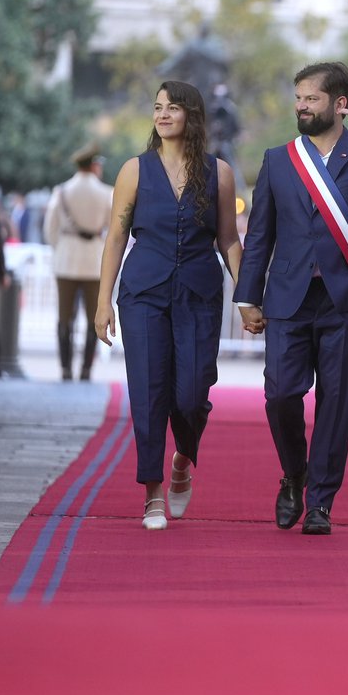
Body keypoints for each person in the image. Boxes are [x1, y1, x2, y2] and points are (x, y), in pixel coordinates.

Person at [234, 63, 348, 536]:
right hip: (288, 298)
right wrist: (247, 296)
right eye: (298, 98)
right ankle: (294, 474)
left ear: (338, 105)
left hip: (343, 300)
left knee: (335, 402)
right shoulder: (278, 159)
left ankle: (321, 503)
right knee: (280, 395)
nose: (301, 107)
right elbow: (259, 235)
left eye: (311, 99)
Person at [95, 81, 243, 531]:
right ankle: (152, 492)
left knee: (193, 391)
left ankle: (183, 459)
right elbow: (117, 237)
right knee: (148, 391)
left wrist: (250, 294)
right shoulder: (133, 171)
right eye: (157, 107)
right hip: (142, 293)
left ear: (191, 116)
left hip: (198, 292)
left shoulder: (218, 173)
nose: (162, 115)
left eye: (172, 108)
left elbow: (230, 240)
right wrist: (103, 302)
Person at [44, 143, 114, 382]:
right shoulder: (106, 192)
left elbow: (50, 229)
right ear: (94, 165)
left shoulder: (62, 191)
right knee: (92, 318)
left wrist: (61, 248)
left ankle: (65, 369)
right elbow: (111, 227)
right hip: (94, 261)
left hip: (66, 260)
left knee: (65, 317)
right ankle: (85, 370)